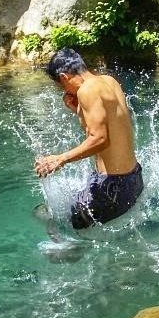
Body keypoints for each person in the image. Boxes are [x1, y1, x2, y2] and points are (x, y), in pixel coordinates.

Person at [34, 48, 143, 229]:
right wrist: (79, 111)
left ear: (64, 77)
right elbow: (115, 126)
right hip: (132, 180)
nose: (64, 90)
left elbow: (100, 139)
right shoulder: (109, 81)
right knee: (62, 209)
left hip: (113, 189)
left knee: (52, 217)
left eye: (60, 86)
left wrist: (60, 159)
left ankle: (67, 252)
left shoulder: (87, 90)